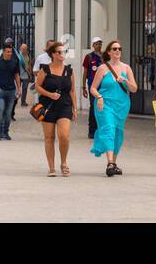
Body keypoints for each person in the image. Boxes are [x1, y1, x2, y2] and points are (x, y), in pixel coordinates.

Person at [89, 40, 136, 177]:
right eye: (114, 49)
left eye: (119, 49)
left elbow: (134, 88)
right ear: (109, 52)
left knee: (118, 132)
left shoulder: (127, 68)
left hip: (122, 105)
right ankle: (110, 163)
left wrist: (126, 81)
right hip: (105, 104)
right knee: (109, 128)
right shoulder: (103, 68)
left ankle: (114, 163)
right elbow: (93, 88)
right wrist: (99, 97)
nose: (117, 51)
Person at [35, 41, 77, 177]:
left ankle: (64, 163)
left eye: (63, 52)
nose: (62, 54)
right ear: (52, 54)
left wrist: (75, 108)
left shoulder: (69, 71)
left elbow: (72, 91)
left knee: (64, 136)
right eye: (59, 52)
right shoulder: (45, 69)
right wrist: (49, 94)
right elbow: (37, 87)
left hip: (65, 106)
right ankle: (51, 167)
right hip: (48, 106)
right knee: (49, 138)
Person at [0, 39, 21, 141]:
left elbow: (17, 76)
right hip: (1, 91)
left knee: (8, 114)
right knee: (1, 110)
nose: (9, 53)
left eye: (11, 52)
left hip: (11, 91)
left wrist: (19, 88)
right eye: (7, 52)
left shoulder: (14, 63)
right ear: (3, 52)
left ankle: (6, 132)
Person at [82, 37, 103, 140]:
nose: (98, 46)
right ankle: (92, 131)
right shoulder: (89, 57)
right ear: (93, 45)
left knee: (103, 108)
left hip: (103, 87)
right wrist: (83, 87)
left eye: (100, 44)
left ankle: (101, 130)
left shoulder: (105, 57)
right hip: (92, 86)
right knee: (93, 107)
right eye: (96, 44)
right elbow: (85, 72)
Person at [17, 42, 33, 109]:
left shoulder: (28, 55)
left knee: (25, 88)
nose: (23, 50)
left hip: (26, 75)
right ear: (20, 49)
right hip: (18, 75)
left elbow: (29, 64)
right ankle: (14, 101)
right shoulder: (18, 56)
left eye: (25, 49)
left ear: (27, 49)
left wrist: (30, 72)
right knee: (17, 88)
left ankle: (23, 101)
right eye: (22, 48)